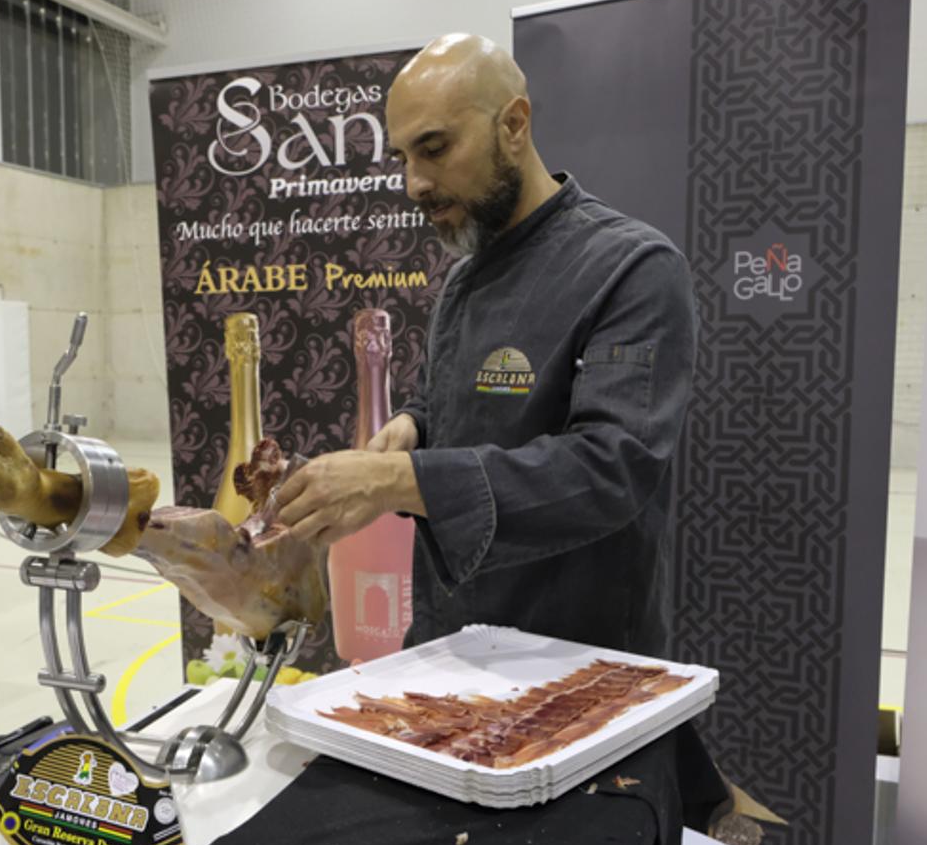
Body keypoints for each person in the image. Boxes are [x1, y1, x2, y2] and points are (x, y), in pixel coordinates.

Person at [276, 33, 697, 659]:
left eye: (436, 148)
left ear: (514, 125)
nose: (416, 183)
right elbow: (448, 404)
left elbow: (611, 469)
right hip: (450, 647)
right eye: (402, 159)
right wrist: (413, 427)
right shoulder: (463, 279)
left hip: (580, 666)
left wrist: (396, 479)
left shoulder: (633, 268)